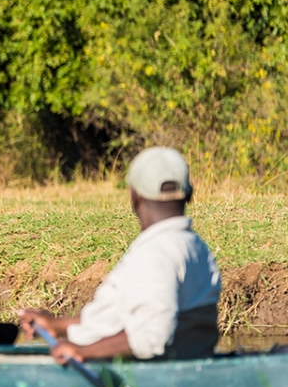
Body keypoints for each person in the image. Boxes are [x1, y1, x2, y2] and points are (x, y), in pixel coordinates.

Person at [18, 146, 221, 363]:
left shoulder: (155, 254)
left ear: (135, 197)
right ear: (189, 195)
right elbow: (129, 319)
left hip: (111, 367)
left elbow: (151, 336)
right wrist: (59, 326)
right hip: (180, 363)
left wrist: (82, 351)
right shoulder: (195, 246)